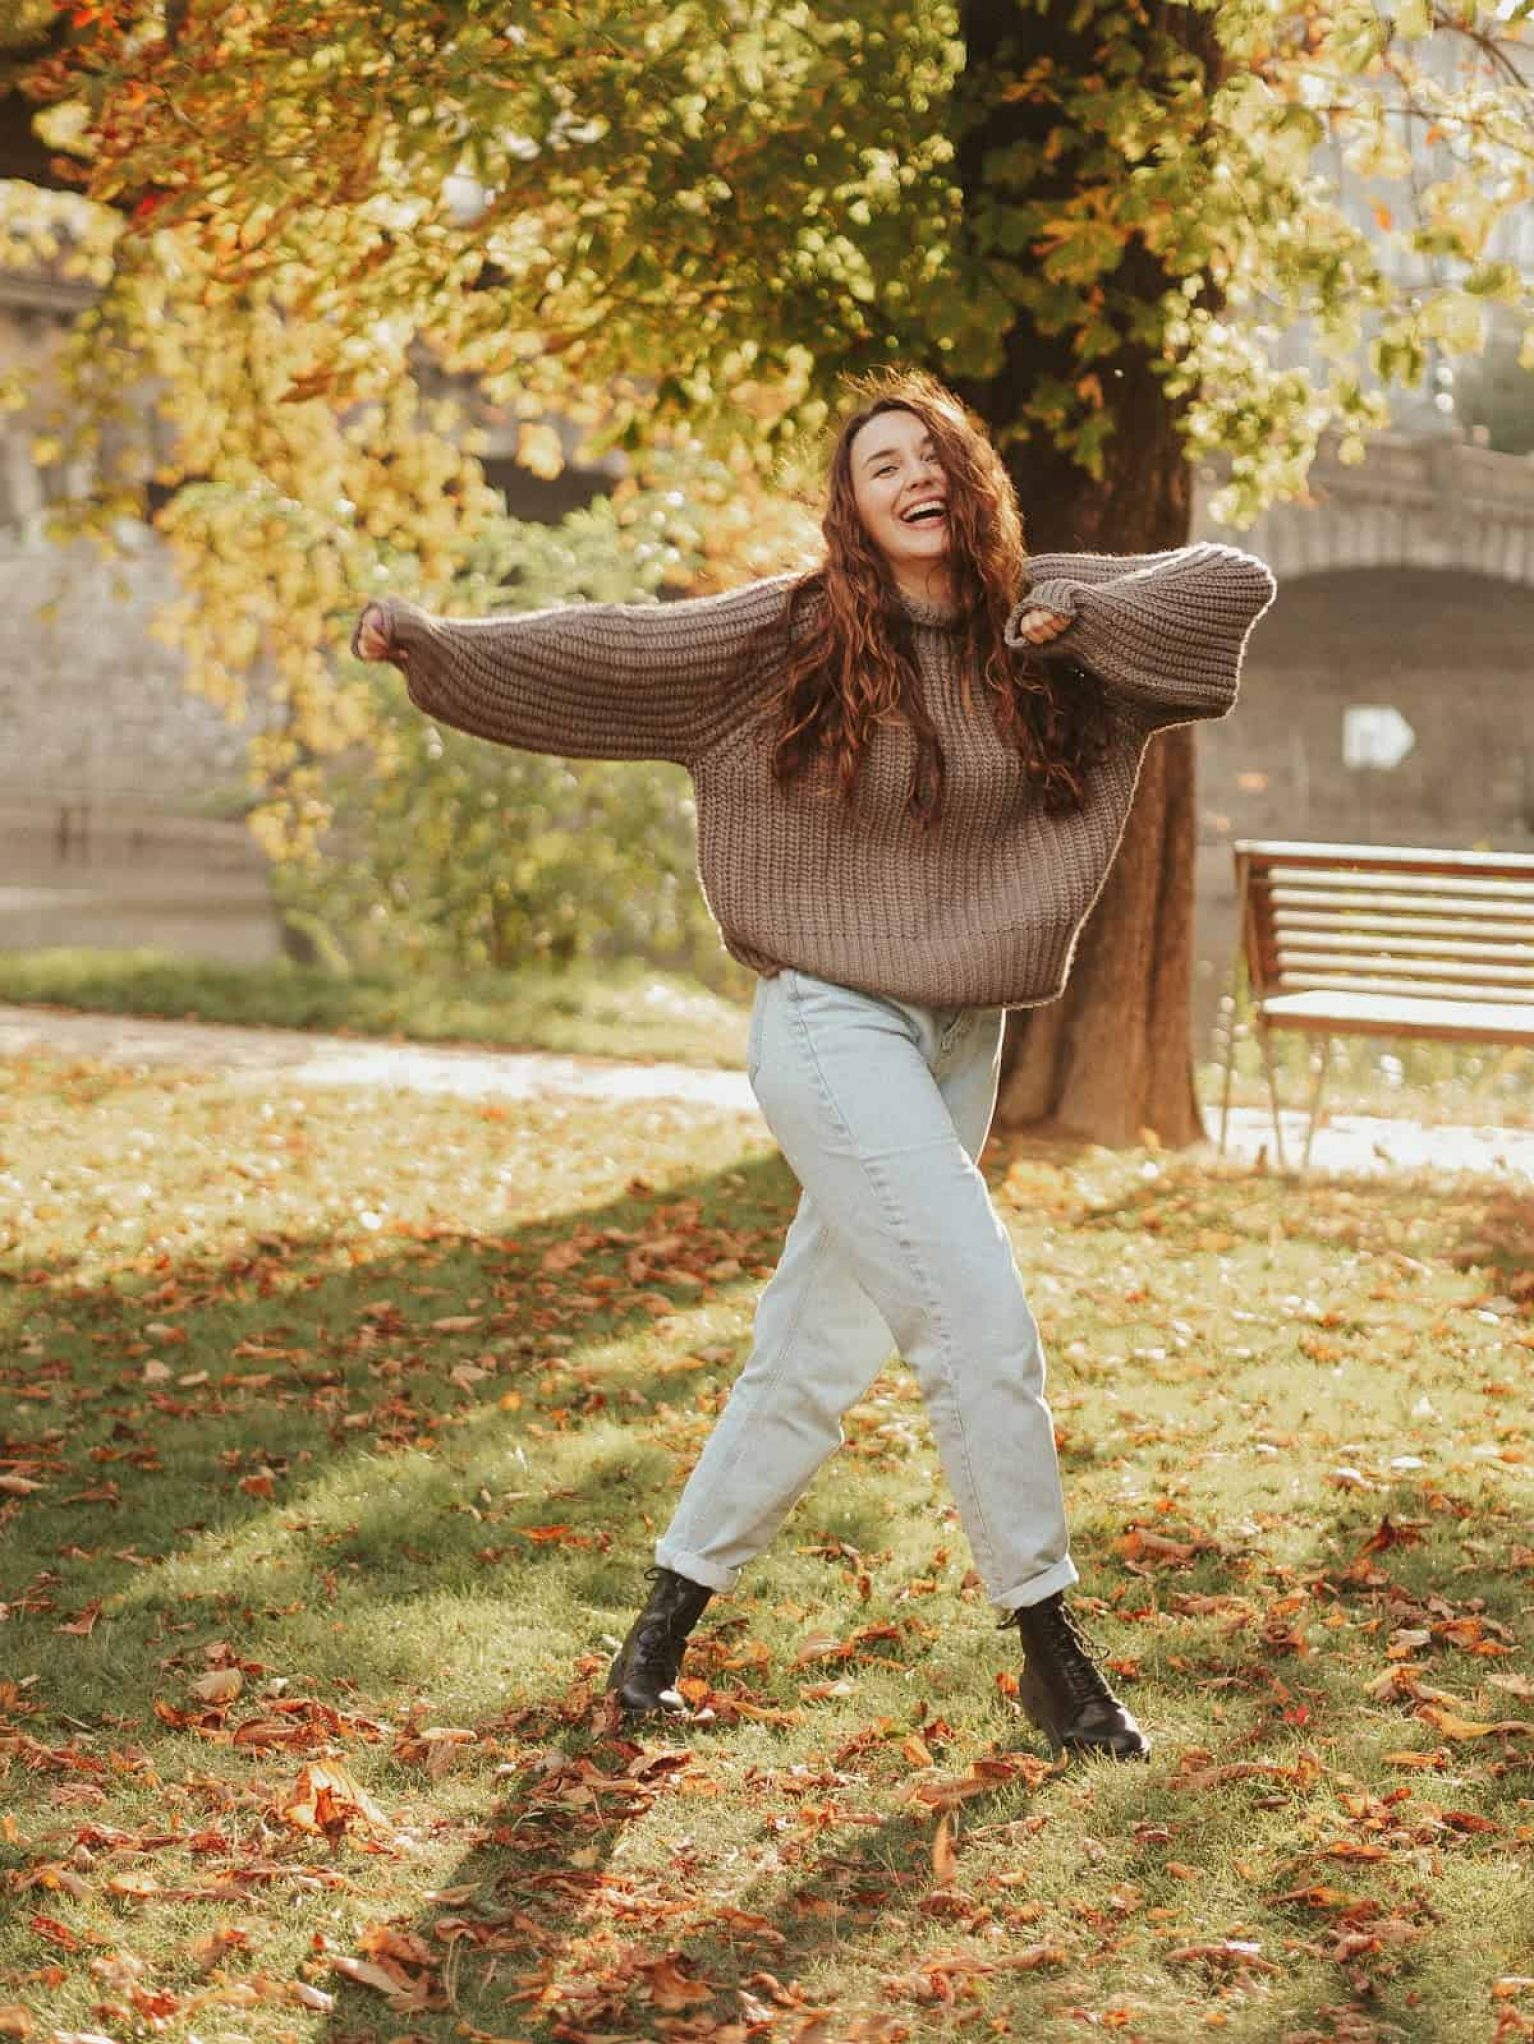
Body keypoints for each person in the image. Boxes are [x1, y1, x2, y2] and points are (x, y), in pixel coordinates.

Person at [351, 367, 1276, 1762]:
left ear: (968, 484)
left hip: (961, 1034)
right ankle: (1050, 1648)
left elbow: (1230, 579)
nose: (909, 478)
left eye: (932, 457)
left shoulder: (1049, 629)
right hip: (830, 1023)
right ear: (848, 508)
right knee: (978, 1324)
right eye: (876, 465)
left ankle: (654, 1642)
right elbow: (608, 652)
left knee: (813, 1352)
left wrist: (1077, 615)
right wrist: (435, 644)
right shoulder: (787, 636)